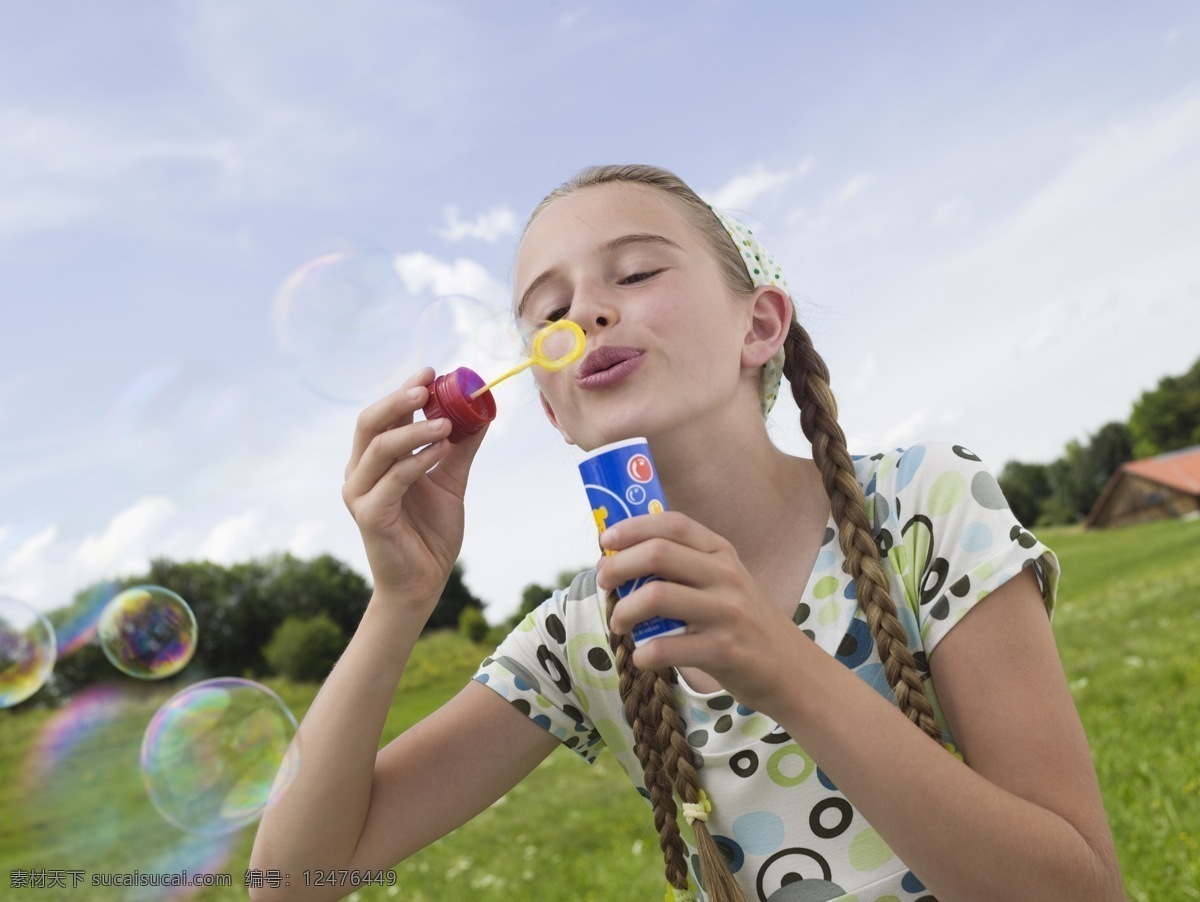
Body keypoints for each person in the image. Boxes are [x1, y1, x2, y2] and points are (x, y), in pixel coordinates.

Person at [249, 164, 1124, 901]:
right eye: (547, 310)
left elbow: (1081, 887)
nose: (584, 313)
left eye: (633, 274)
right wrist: (400, 599)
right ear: (553, 409)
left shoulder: (921, 503)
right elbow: (291, 882)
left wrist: (782, 670)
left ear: (760, 325)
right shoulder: (584, 635)